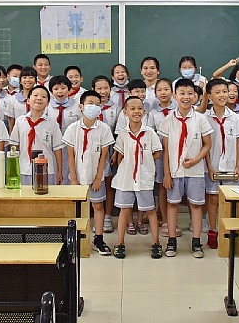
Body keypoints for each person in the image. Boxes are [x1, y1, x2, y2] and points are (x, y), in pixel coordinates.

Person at [160, 78, 213, 258]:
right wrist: (167, 174)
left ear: (196, 97)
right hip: (174, 171)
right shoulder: (168, 120)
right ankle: (172, 241)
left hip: (195, 172)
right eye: (182, 93)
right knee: (172, 204)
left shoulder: (200, 119)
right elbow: (166, 150)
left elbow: (207, 144)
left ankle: (196, 242)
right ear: (174, 96)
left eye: (190, 93)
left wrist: (196, 160)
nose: (186, 97)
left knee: (196, 205)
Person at [62, 90, 116, 256]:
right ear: (81, 107)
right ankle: (74, 239)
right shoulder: (72, 129)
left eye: (97, 104)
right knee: (76, 208)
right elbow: (70, 155)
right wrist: (74, 178)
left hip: (95, 176)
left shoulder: (104, 129)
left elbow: (104, 155)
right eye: (90, 104)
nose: (94, 107)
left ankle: (98, 239)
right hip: (77, 175)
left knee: (97, 206)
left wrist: (99, 177)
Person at [111, 96, 163, 259]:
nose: (136, 111)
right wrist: (130, 165)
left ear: (144, 111)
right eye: (132, 108)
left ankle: (156, 243)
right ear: (125, 112)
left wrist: (142, 162)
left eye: (140, 108)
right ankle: (120, 243)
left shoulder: (150, 133)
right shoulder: (123, 134)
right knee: (124, 210)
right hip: (126, 179)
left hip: (144, 178)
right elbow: (120, 155)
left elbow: (157, 153)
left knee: (150, 210)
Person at [204, 79, 239, 249]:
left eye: (225, 91)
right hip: (213, 165)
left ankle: (227, 231)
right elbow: (205, 145)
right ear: (209, 96)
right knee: (213, 199)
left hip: (230, 166)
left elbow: (237, 142)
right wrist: (209, 166)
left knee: (229, 200)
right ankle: (212, 230)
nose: (223, 95)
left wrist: (238, 165)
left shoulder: (235, 118)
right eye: (218, 92)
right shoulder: (205, 118)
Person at [9, 86, 64, 186]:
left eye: (43, 96)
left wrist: (60, 171)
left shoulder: (52, 123)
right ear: (28, 101)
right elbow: (14, 146)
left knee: (45, 194)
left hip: (46, 170)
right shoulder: (20, 121)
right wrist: (13, 169)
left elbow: (57, 149)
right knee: (24, 195)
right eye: (35, 95)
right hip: (24, 168)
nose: (39, 98)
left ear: (48, 103)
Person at [145, 78, 179, 238]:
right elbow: (150, 133)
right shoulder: (153, 113)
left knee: (177, 186)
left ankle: (175, 221)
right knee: (163, 187)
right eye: (159, 90)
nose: (163, 92)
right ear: (155, 93)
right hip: (161, 154)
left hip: (178, 152)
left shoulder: (178, 109)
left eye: (166, 89)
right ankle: (165, 221)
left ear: (172, 92)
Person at [93, 75, 120, 233]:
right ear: (93, 90)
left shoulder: (115, 108)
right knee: (93, 181)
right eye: (99, 88)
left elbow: (118, 132)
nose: (103, 91)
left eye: (106, 88)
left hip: (110, 150)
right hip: (91, 150)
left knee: (109, 182)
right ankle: (95, 216)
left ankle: (107, 217)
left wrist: (115, 152)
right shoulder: (89, 107)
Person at [48, 75, 81, 185]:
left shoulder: (77, 106)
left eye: (63, 88)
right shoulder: (47, 106)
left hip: (71, 146)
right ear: (51, 91)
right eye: (56, 89)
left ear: (69, 89)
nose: (60, 91)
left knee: (69, 173)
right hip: (52, 146)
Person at [8, 65, 38, 130]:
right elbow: (11, 121)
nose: (28, 80)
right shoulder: (14, 99)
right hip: (19, 132)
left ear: (36, 80)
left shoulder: (39, 99)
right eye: (24, 77)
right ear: (20, 81)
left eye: (31, 77)